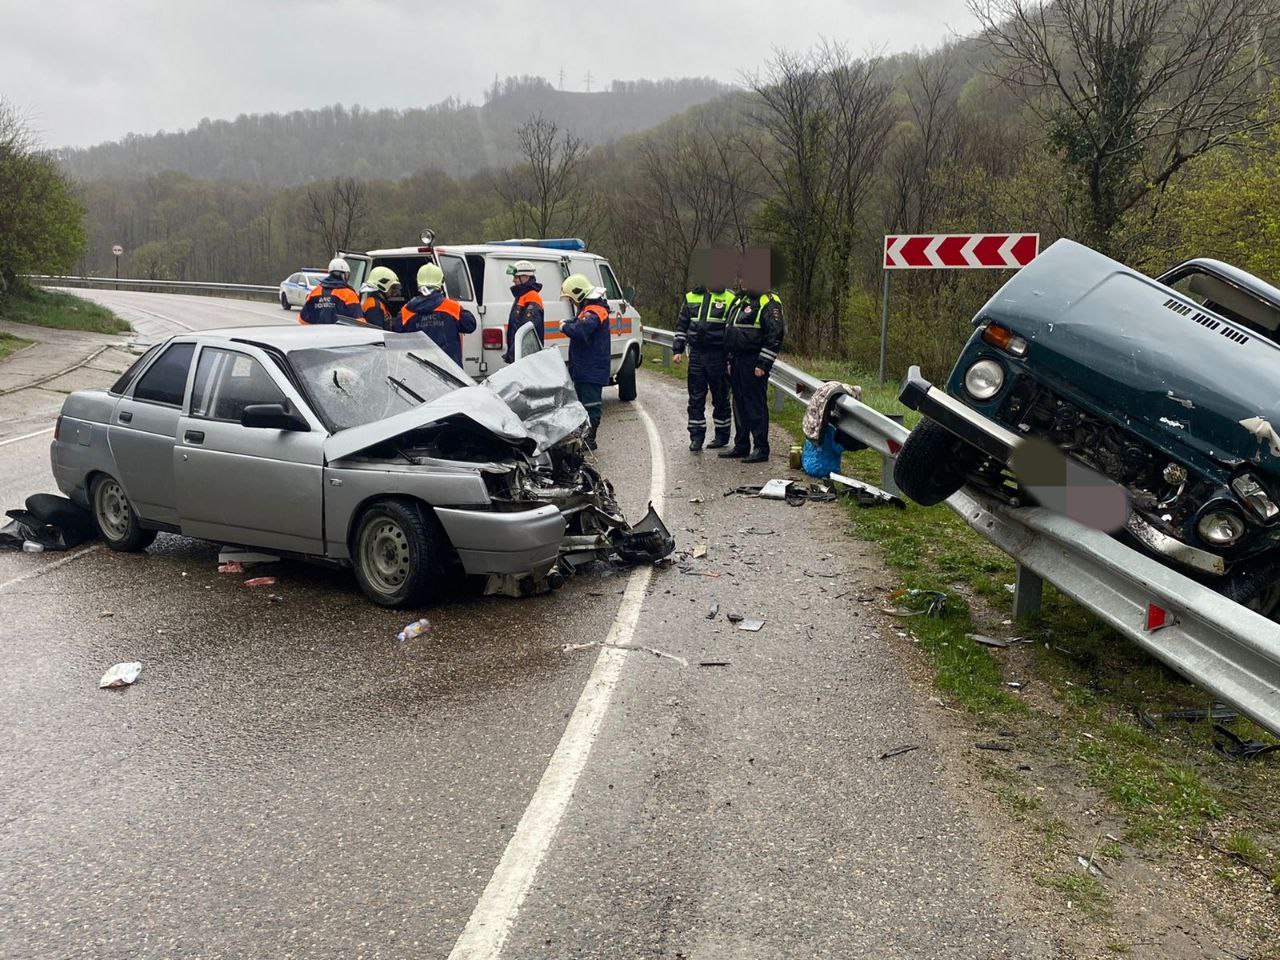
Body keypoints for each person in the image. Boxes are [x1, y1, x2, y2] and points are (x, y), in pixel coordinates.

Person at [719, 287, 785, 464]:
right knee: (739, 404)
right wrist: (728, 360)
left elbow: (775, 334)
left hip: (754, 360)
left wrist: (763, 363)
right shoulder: (740, 300)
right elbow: (730, 331)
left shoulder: (768, 301)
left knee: (754, 405)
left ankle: (761, 448)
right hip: (737, 360)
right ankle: (741, 445)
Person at [673, 283, 735, 451]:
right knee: (695, 398)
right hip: (697, 354)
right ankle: (696, 437)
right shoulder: (691, 296)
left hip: (718, 355)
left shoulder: (729, 298)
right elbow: (682, 325)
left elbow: (732, 332)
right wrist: (677, 349)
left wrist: (729, 358)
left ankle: (722, 436)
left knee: (721, 396)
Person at [560, 273, 611, 450]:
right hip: (584, 367)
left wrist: (565, 327)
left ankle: (590, 439)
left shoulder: (595, 312)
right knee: (582, 404)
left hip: (591, 368)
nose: (571, 303)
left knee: (591, 405)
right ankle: (584, 437)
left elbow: (581, 330)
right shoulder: (589, 310)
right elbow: (579, 323)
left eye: (571, 299)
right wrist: (570, 322)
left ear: (578, 294)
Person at [398, 262, 476, 368]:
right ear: (441, 283)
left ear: (418, 283)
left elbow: (395, 336)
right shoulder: (452, 307)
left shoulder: (406, 311)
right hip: (450, 371)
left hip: (417, 369)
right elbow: (470, 325)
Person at [502, 260, 545, 364]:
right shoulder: (522, 296)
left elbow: (527, 331)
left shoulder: (532, 297)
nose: (513, 280)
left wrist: (513, 354)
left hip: (526, 357)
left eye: (516, 277)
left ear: (525, 277)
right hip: (520, 355)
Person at [298, 258, 363, 325]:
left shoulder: (315, 292)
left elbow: (302, 320)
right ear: (344, 275)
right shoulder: (349, 294)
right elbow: (359, 321)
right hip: (341, 334)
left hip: (317, 333)